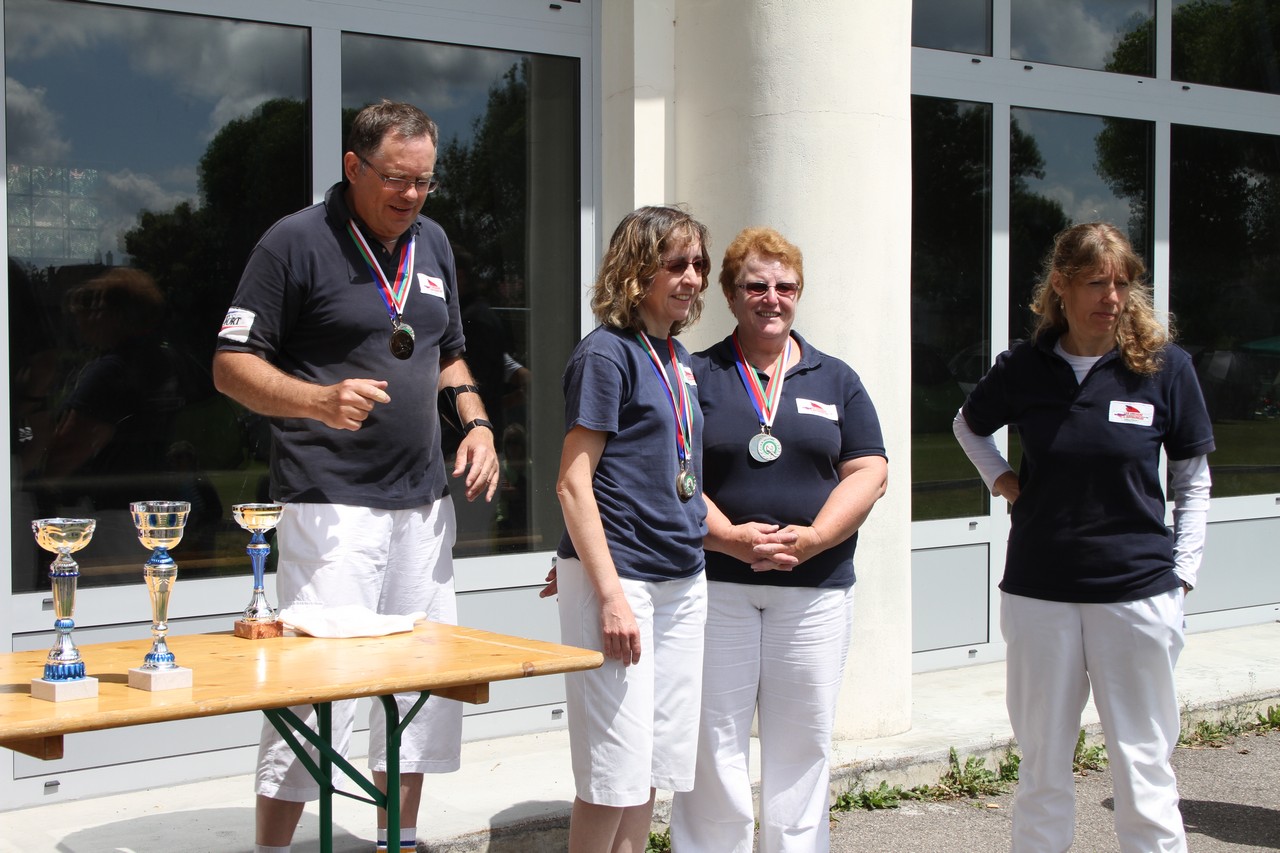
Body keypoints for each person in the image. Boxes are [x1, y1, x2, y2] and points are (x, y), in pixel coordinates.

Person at [212, 99, 499, 853]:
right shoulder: (293, 243)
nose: (410, 196)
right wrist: (317, 399)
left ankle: (394, 840)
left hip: (424, 503)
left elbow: (450, 353)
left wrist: (475, 423)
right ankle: (274, 847)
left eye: (425, 182)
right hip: (330, 504)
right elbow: (229, 367)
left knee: (417, 687)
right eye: (396, 179)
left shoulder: (432, 243)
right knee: (313, 693)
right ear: (352, 166)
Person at [952, 222, 1214, 853]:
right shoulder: (1025, 366)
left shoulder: (1163, 367)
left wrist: (1183, 574)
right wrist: (1005, 482)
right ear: (1061, 287)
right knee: (1042, 766)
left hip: (1137, 592)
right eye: (1097, 282)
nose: (1112, 297)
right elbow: (968, 425)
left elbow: (1193, 480)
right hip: (1041, 592)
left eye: (1123, 283)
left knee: (1144, 766)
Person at [668, 227, 889, 853]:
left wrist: (818, 536)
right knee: (714, 740)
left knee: (804, 742)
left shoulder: (834, 377)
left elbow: (870, 469)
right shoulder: (696, 373)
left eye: (784, 286)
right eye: (755, 286)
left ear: (799, 293)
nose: (772, 297)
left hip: (814, 591)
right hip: (717, 587)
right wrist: (730, 537)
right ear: (731, 296)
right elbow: (670, 467)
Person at [543, 206, 711, 853]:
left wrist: (742, 535)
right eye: (677, 264)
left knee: (651, 766)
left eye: (697, 263)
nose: (692, 277)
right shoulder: (606, 355)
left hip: (679, 580)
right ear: (636, 271)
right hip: (626, 584)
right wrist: (605, 589)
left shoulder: (677, 357)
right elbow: (572, 482)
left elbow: (674, 475)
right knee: (611, 771)